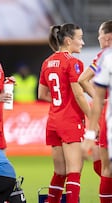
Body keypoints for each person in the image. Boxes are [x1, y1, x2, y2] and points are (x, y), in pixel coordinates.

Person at [38, 23, 90, 203]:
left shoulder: (47, 62)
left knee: (59, 172)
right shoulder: (73, 62)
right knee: (74, 171)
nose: (82, 43)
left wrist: (61, 101)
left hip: (53, 121)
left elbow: (42, 95)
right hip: (70, 121)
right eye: (79, 39)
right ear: (68, 41)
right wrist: (94, 116)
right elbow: (79, 94)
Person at [80, 20, 112, 203]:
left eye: (99, 35)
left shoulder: (104, 57)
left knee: (105, 169)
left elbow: (83, 80)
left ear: (107, 37)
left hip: (107, 116)